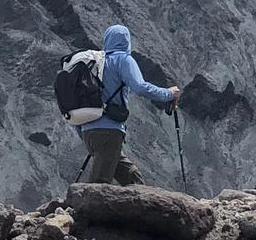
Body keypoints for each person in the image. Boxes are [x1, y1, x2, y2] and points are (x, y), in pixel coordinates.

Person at [76, 25, 180, 185]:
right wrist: (169, 94)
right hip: (108, 131)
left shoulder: (95, 64)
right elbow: (140, 87)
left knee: (132, 177)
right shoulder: (123, 59)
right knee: (98, 184)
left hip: (87, 131)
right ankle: (84, 209)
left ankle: (145, 208)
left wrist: (85, 131)